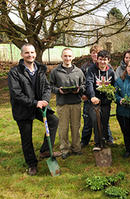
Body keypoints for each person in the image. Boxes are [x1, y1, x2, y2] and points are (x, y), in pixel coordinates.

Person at [8, 43, 60, 176]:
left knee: (53, 121)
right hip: (23, 109)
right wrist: (35, 102)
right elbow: (16, 94)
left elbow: (47, 88)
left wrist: (45, 100)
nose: (30, 55)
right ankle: (32, 164)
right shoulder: (15, 72)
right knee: (27, 138)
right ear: (22, 55)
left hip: (39, 106)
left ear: (35, 54)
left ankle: (45, 150)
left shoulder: (40, 69)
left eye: (32, 52)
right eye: (27, 53)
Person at [50, 48, 85, 159]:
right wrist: (57, 90)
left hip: (76, 103)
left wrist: (79, 90)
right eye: (65, 56)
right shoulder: (55, 72)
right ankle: (64, 149)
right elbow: (50, 86)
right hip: (62, 103)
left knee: (76, 127)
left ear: (73, 57)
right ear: (62, 57)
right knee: (63, 128)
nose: (67, 58)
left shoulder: (78, 71)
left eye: (69, 56)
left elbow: (84, 85)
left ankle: (76, 148)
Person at [86, 50, 116, 151]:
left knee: (104, 121)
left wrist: (111, 97)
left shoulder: (111, 72)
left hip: (106, 102)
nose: (102, 62)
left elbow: (114, 86)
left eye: (105, 60)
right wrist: (92, 96)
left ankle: (105, 140)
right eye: (101, 59)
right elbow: (89, 83)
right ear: (97, 59)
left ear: (108, 60)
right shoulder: (91, 70)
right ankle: (98, 143)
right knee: (95, 120)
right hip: (95, 101)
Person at [80, 44, 101, 147]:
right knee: (87, 120)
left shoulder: (105, 65)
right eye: (93, 53)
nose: (95, 55)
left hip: (100, 97)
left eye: (97, 53)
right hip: (88, 97)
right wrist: (83, 94)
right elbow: (82, 82)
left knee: (101, 120)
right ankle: (84, 141)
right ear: (90, 54)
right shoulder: (85, 67)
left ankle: (106, 138)